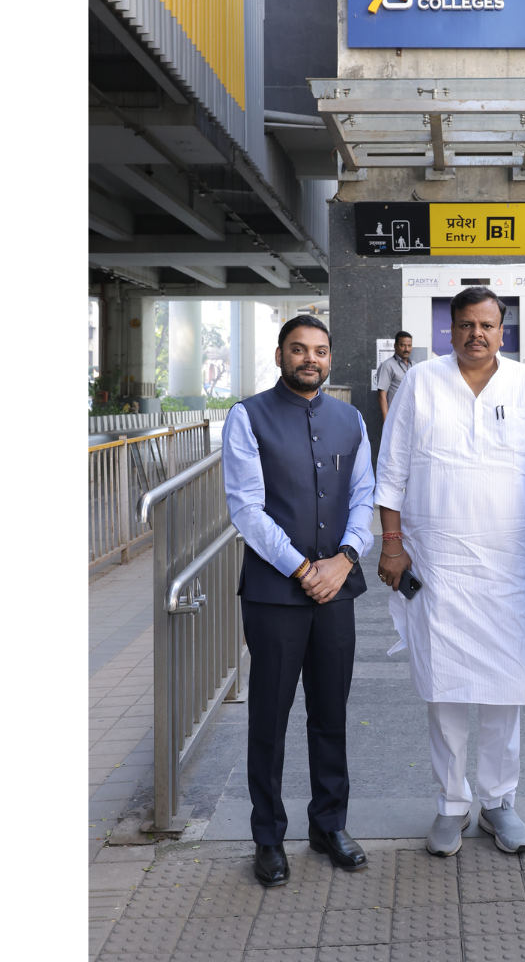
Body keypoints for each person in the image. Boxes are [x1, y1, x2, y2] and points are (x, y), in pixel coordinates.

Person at [374, 287, 525, 857]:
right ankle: (451, 806)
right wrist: (392, 545)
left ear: (502, 331)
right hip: (441, 564)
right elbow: (392, 469)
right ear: (447, 331)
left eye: (487, 324)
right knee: (446, 691)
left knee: (507, 693)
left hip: (510, 567)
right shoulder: (421, 383)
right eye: (465, 325)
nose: (476, 334)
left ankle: (499, 802)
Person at [222, 314, 374, 887]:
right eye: (298, 349)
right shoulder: (247, 416)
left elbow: (365, 494)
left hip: (337, 589)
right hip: (274, 595)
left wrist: (347, 557)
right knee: (270, 717)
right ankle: (268, 835)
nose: (310, 359)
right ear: (280, 354)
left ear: (331, 358)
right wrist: (302, 567)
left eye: (320, 350)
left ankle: (328, 825)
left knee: (330, 712)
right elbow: (246, 508)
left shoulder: (351, 419)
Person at [375, 330, 414, 420]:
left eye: (409, 346)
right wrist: (386, 421)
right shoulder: (388, 365)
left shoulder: (414, 365)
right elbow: (382, 395)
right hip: (395, 417)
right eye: (403, 345)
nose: (406, 349)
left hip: (411, 417)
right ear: (395, 346)